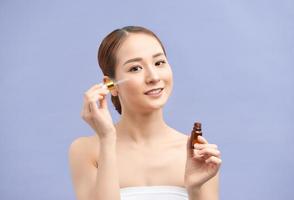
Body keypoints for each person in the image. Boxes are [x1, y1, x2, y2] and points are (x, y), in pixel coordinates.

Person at [68, 26, 222, 200]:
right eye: (135, 68)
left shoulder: (198, 155)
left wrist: (195, 191)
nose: (154, 77)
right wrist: (107, 140)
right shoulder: (87, 151)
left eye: (159, 63)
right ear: (111, 85)